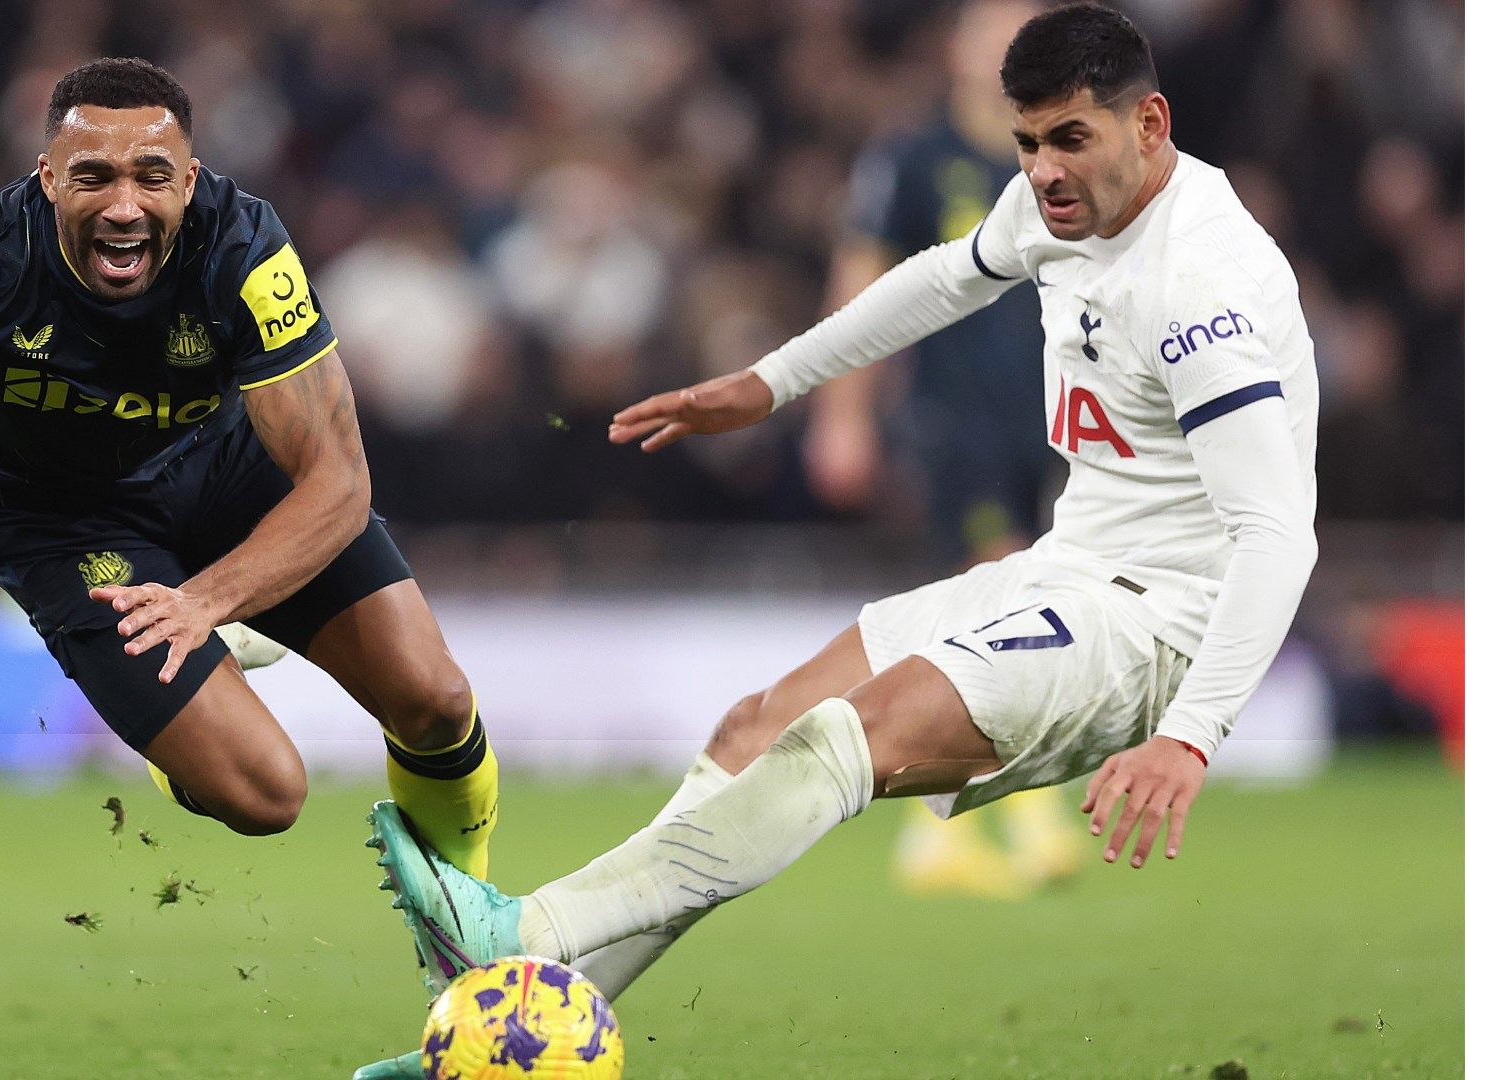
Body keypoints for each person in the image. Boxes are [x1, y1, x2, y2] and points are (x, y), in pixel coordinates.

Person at [358, 5, 1317, 1071]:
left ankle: (525, 933)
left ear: (1150, 122)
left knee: (845, 735)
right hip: (1066, 571)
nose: (1044, 172)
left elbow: (1278, 535)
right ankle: (516, 1040)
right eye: (1027, 143)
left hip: (1156, 625)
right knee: (756, 729)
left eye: (1070, 141)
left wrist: (1190, 735)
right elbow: (947, 274)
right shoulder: (1065, 205)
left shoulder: (1203, 289)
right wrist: (772, 383)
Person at [0, 59, 502, 884]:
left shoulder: (245, 245)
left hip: (224, 474)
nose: (124, 207)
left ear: (191, 177)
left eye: (152, 178)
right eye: (93, 177)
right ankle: (176, 747)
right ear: (46, 180)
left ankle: (466, 918)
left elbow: (340, 485)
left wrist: (205, 599)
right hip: (60, 519)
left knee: (435, 700)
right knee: (266, 795)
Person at [810, 0, 1080, 901]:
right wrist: (842, 416)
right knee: (1004, 593)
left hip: (1064, 418)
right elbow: (864, 276)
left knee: (1017, 610)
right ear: (957, 49)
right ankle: (1028, 816)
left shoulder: (1070, 155)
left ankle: (933, 837)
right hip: (954, 416)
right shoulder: (915, 154)